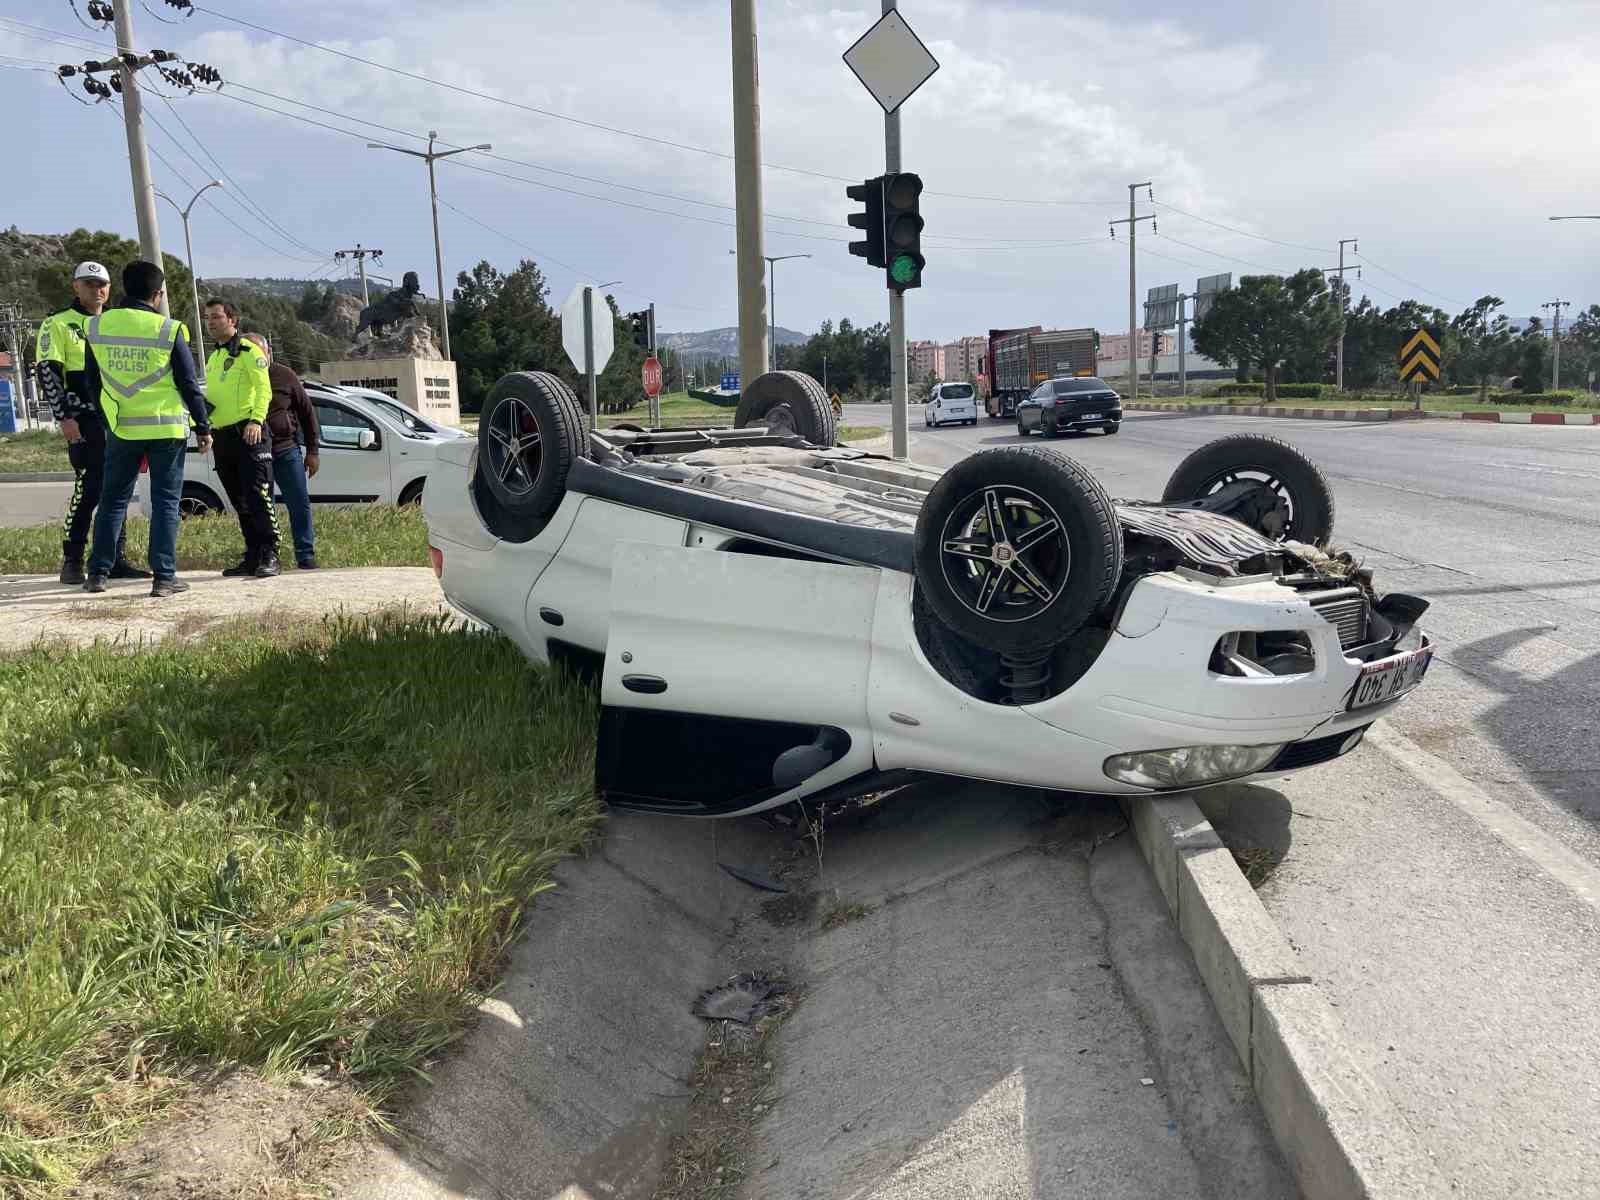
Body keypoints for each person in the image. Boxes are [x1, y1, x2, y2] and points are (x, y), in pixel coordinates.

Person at [79, 260, 212, 597]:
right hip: (166, 428)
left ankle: (98, 574)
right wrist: (203, 425)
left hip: (122, 427)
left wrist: (107, 418)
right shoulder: (169, 329)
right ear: (158, 294)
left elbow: (92, 382)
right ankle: (164, 578)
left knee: (112, 501)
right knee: (166, 502)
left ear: (124, 288)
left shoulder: (97, 327)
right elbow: (188, 383)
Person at [35, 261, 148, 583]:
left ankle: (116, 559)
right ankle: (72, 558)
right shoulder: (59, 323)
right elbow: (48, 373)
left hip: (117, 419)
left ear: (109, 289)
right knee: (90, 488)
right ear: (75, 287)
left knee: (120, 489)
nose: (96, 289)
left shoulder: (115, 323)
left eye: (101, 284)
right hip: (83, 418)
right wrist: (64, 417)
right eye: (88, 283)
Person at [202, 298, 281, 577]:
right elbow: (214, 399)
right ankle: (252, 555)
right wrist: (205, 428)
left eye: (217, 317)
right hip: (222, 437)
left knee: (259, 495)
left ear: (232, 320)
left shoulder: (249, 351)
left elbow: (264, 389)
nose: (210, 322)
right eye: (208, 318)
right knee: (239, 500)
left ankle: (270, 554)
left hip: (249, 433)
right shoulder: (213, 358)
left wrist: (256, 420)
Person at [255, 334, 321, 569]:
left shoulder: (285, 375)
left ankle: (305, 554)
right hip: (255, 454)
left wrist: (312, 451)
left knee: (299, 503)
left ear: (269, 352)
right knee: (263, 507)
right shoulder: (240, 377)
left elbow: (307, 413)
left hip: (286, 450)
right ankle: (269, 555)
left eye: (259, 352)